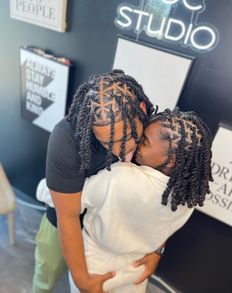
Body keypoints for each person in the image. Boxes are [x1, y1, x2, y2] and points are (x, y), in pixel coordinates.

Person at [34, 70, 163, 293]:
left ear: (141, 111)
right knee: (45, 278)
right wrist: (81, 279)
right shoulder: (66, 139)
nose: (118, 151)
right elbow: (68, 217)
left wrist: (156, 250)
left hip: (115, 231)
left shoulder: (156, 132)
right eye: (106, 143)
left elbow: (160, 197)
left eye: (125, 138)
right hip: (64, 223)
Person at [68, 108, 213, 293]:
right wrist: (157, 252)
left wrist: (45, 189)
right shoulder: (186, 196)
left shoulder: (120, 176)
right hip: (137, 268)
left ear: (171, 160)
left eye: (144, 141)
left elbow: (74, 201)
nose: (135, 144)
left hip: (95, 265)